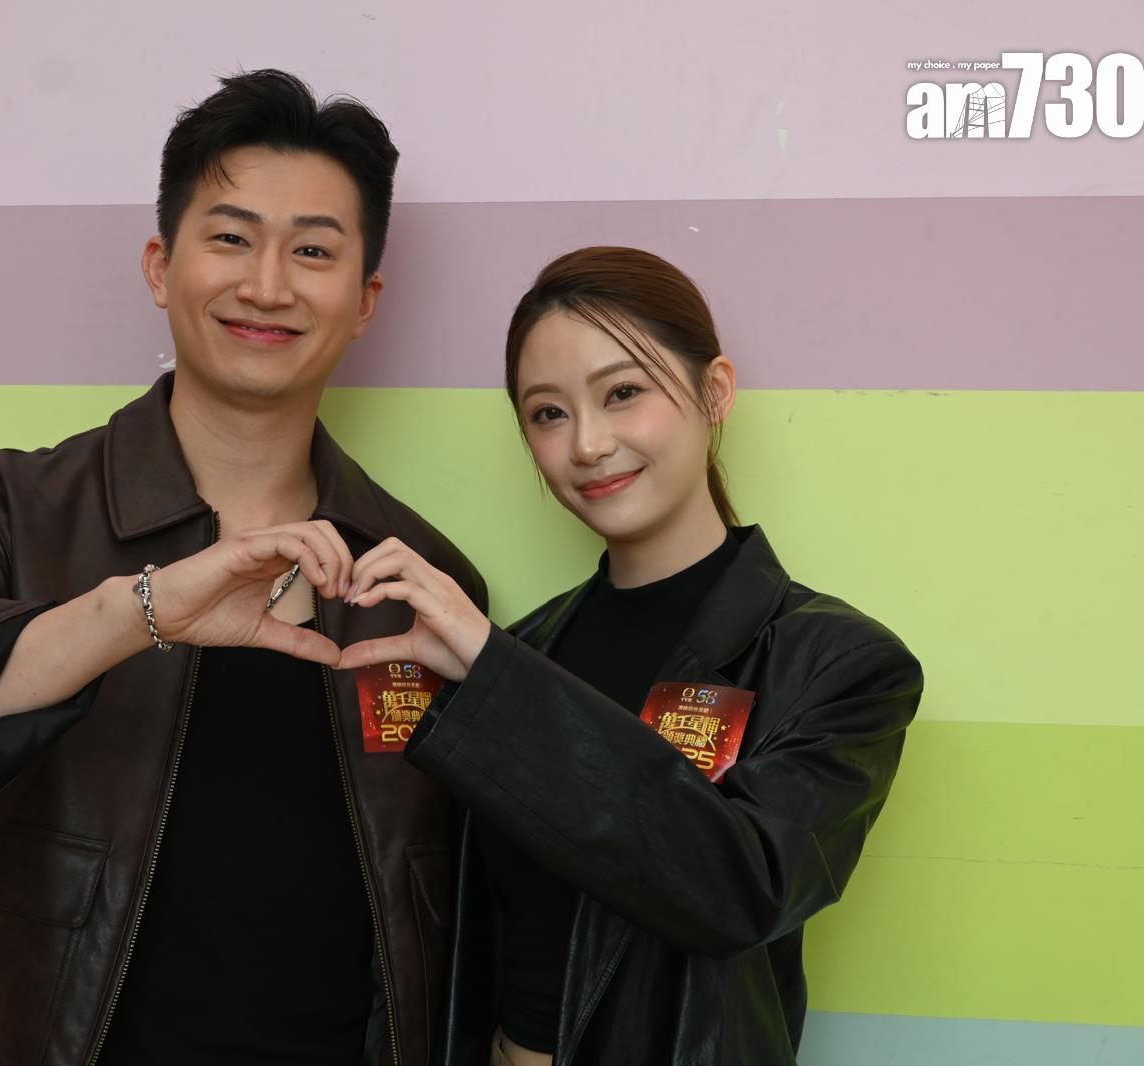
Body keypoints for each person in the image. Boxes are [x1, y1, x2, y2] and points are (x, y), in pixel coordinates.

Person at [0, 70, 486, 1066]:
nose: (268, 285)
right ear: (161, 267)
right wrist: (137, 612)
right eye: (231, 238)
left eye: (313, 251)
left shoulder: (420, 578)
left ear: (364, 301)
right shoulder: (13, 509)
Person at [334, 246, 924, 1065]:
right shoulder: (524, 648)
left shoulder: (839, 664)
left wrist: (494, 674)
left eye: (622, 393)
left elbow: (736, 891)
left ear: (715, 391)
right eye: (548, 413)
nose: (587, 444)